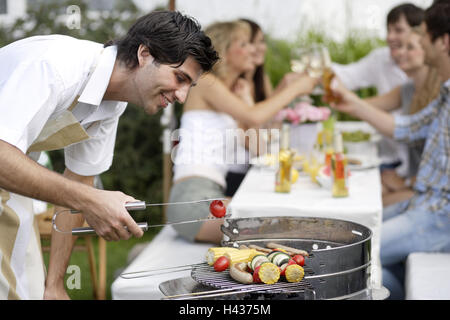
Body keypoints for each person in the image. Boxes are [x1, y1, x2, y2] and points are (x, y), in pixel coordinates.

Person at [0, 10, 218, 300]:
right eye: (179, 78)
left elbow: (79, 182)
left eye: (189, 86)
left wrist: (54, 286)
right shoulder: (54, 67)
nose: (181, 96)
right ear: (144, 54)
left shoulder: (112, 105)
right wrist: (90, 201)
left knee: (29, 289)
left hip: (9, 186)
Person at [327, 1, 450, 299]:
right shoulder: (446, 94)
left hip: (439, 218)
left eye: (424, 35)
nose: (418, 41)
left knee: (345, 257)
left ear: (443, 42)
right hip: (424, 204)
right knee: (354, 231)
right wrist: (352, 102)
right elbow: (407, 127)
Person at [167, 20, 317, 244]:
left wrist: (247, 101)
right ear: (224, 49)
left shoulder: (230, 98)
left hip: (213, 196)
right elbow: (255, 115)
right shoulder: (205, 83)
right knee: (280, 232)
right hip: (193, 200)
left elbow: (260, 150)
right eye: (244, 44)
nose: (252, 50)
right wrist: (296, 88)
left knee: (288, 219)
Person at [332, 3, 425, 181]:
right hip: (398, 167)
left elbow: (406, 129)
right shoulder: (406, 88)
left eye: (398, 30)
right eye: (388, 30)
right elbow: (365, 103)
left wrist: (406, 184)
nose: (390, 38)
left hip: (415, 181)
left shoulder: (439, 90)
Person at [364, 29, 441, 207]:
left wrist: (405, 184)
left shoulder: (440, 97)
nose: (400, 53)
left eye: (410, 47)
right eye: (401, 48)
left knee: (372, 206)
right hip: (412, 181)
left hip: (430, 191)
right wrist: (336, 98)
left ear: (427, 52)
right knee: (369, 195)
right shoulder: (407, 89)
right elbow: (368, 106)